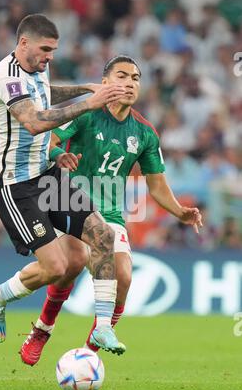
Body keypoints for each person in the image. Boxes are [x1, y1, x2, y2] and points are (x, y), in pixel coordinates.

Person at [20, 55, 203, 366]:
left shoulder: (144, 132)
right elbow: (49, 136)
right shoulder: (85, 113)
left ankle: (88, 356)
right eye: (122, 76)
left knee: (124, 276)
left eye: (135, 78)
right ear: (104, 82)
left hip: (111, 210)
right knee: (71, 264)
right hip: (70, 199)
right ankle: (42, 329)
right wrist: (55, 153)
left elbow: (156, 184)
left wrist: (179, 211)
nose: (129, 83)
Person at [0, 14, 128, 355]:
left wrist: (86, 87)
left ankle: (103, 328)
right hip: (14, 186)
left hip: (45, 173)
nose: (49, 56)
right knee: (55, 267)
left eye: (53, 51)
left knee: (102, 235)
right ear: (23, 44)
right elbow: (33, 121)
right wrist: (89, 103)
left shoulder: (37, 68)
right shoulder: (7, 77)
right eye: (45, 49)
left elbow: (45, 94)